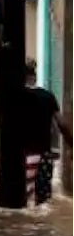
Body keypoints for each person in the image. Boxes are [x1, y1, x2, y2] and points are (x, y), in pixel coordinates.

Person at [22, 59, 74, 205]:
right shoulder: (47, 96)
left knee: (23, 200)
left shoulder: (17, 97)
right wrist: (72, 144)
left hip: (22, 155)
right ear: (34, 76)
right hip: (44, 155)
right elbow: (62, 124)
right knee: (42, 202)